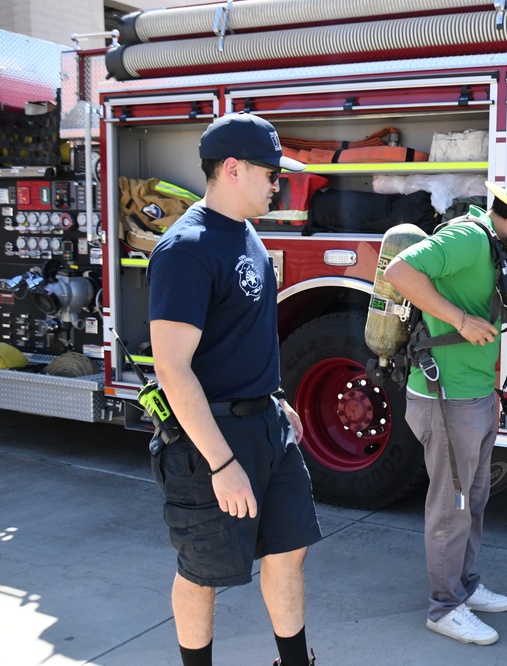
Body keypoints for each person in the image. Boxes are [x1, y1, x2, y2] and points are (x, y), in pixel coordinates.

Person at [147, 112, 323, 666]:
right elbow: (174, 368)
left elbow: (244, 335)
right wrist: (222, 464)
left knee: (288, 552)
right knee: (204, 572)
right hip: (211, 441)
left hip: (266, 427)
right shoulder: (185, 250)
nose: (279, 184)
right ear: (232, 169)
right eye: (272, 173)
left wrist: (276, 401)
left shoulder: (245, 234)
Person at [383, 178, 507, 646]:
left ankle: (465, 585)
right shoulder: (466, 238)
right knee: (451, 506)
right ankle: (444, 607)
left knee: (473, 501)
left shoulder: (496, 247)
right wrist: (460, 320)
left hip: (475, 395)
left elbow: (478, 298)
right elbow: (399, 272)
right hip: (445, 397)